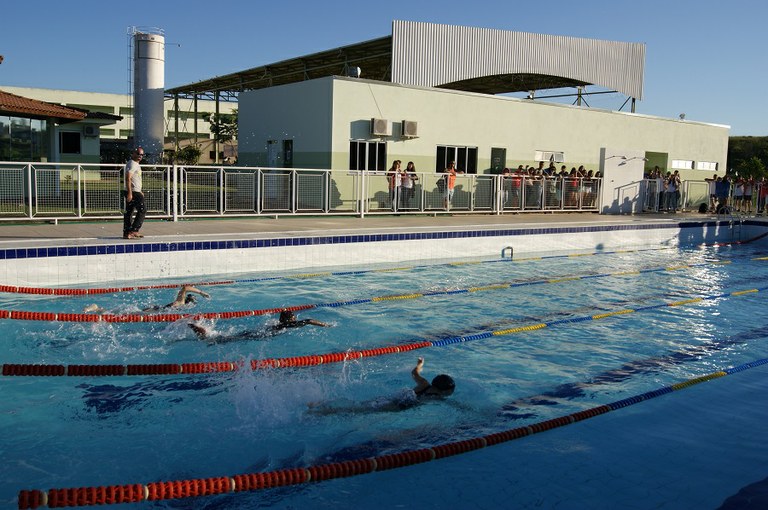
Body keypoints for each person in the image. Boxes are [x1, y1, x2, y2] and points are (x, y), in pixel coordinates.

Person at [188, 309, 330, 343]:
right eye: (294, 317)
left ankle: (207, 334)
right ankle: (206, 335)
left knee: (229, 337)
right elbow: (309, 320)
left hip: (256, 331)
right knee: (227, 339)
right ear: (290, 320)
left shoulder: (276, 324)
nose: (296, 319)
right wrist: (326, 325)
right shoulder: (286, 326)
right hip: (258, 335)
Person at [83, 284, 210, 314]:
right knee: (121, 316)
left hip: (153, 310)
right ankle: (97, 308)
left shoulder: (180, 306)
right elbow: (185, 287)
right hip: (152, 311)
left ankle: (99, 309)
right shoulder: (180, 302)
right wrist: (202, 292)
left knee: (121, 314)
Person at [123, 147, 146, 239]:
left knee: (129, 212)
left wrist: (139, 190)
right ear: (133, 153)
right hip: (133, 192)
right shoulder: (133, 164)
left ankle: (127, 233)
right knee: (142, 210)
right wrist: (130, 193)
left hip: (134, 191)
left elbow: (134, 179)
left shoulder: (132, 163)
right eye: (138, 153)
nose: (140, 156)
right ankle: (134, 230)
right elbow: (128, 178)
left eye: (141, 154)